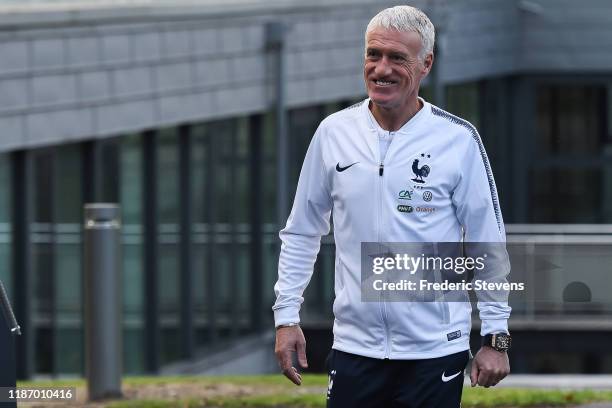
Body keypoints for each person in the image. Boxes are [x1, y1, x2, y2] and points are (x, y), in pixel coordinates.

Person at [272, 5, 512, 407]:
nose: (381, 69)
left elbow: (488, 242)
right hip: (354, 349)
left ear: (426, 64)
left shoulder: (458, 140)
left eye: (397, 57)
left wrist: (496, 337)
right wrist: (286, 317)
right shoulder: (333, 133)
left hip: (434, 352)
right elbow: (301, 231)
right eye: (373, 54)